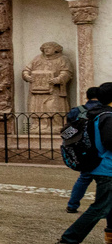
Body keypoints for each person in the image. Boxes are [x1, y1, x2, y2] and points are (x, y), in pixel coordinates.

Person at [60, 83, 112, 244]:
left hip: (99, 165)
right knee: (100, 208)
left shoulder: (94, 114)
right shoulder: (108, 116)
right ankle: (69, 239)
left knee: (109, 205)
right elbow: (109, 141)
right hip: (107, 167)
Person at [65, 84, 109, 215]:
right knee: (105, 181)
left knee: (84, 178)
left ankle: (72, 204)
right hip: (102, 151)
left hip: (84, 150)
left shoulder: (76, 110)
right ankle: (102, 208)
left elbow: (68, 128)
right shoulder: (104, 111)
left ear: (87, 96)